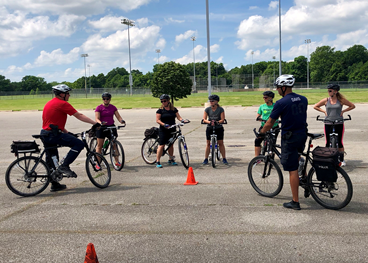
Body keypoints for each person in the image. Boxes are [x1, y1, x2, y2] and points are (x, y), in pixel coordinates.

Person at [260, 75, 308, 210]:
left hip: (290, 137)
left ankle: (295, 201)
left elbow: (269, 123)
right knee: (297, 156)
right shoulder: (304, 99)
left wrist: (261, 133)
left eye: (278, 87)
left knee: (291, 169)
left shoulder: (281, 103)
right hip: (302, 134)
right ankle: (304, 177)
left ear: (284, 87)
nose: (277, 90)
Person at [41, 84, 98, 192]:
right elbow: (79, 115)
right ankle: (65, 166)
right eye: (68, 93)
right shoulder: (62, 103)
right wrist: (95, 123)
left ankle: (54, 183)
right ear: (62, 94)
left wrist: (68, 133)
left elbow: (53, 123)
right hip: (53, 135)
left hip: (45, 133)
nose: (69, 95)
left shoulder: (50, 103)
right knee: (79, 144)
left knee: (52, 158)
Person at [313, 84, 355, 166]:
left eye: (330, 91)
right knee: (328, 142)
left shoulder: (341, 100)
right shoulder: (326, 100)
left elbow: (352, 106)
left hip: (339, 122)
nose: (328, 92)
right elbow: (316, 106)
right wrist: (324, 112)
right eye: (328, 91)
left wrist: (343, 112)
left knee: (339, 142)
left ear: (335, 91)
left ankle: (342, 160)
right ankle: (328, 158)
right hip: (328, 122)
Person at [95, 92, 125, 168]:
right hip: (102, 127)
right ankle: (98, 163)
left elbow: (118, 116)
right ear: (102, 99)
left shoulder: (113, 107)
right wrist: (100, 123)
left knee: (114, 143)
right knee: (99, 145)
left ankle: (117, 161)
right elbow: (97, 118)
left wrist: (121, 121)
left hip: (111, 126)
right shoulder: (99, 108)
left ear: (110, 99)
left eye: (107, 99)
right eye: (104, 99)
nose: (106, 100)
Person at [155, 94, 186, 168]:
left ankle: (171, 159)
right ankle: (158, 161)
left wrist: (183, 120)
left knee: (171, 144)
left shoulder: (173, 109)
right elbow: (157, 120)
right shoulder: (160, 110)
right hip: (164, 129)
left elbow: (179, 117)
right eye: (162, 101)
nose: (163, 102)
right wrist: (164, 124)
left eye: (164, 101)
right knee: (162, 145)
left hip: (172, 128)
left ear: (168, 101)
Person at [202, 94, 228, 165]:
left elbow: (222, 119)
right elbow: (204, 119)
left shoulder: (220, 109)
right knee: (208, 143)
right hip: (210, 127)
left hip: (218, 127)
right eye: (210, 101)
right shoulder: (207, 109)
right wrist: (209, 122)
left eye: (212, 101)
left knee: (221, 143)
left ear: (216, 102)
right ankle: (206, 159)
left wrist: (217, 122)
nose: (211, 102)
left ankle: (224, 158)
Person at [254, 91, 279, 156]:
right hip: (264, 126)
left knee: (272, 144)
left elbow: (281, 115)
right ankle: (256, 158)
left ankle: (270, 160)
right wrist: (259, 118)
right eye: (263, 97)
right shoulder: (262, 106)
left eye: (265, 97)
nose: (264, 98)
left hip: (274, 127)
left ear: (271, 98)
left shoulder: (275, 106)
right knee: (257, 140)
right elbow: (258, 115)